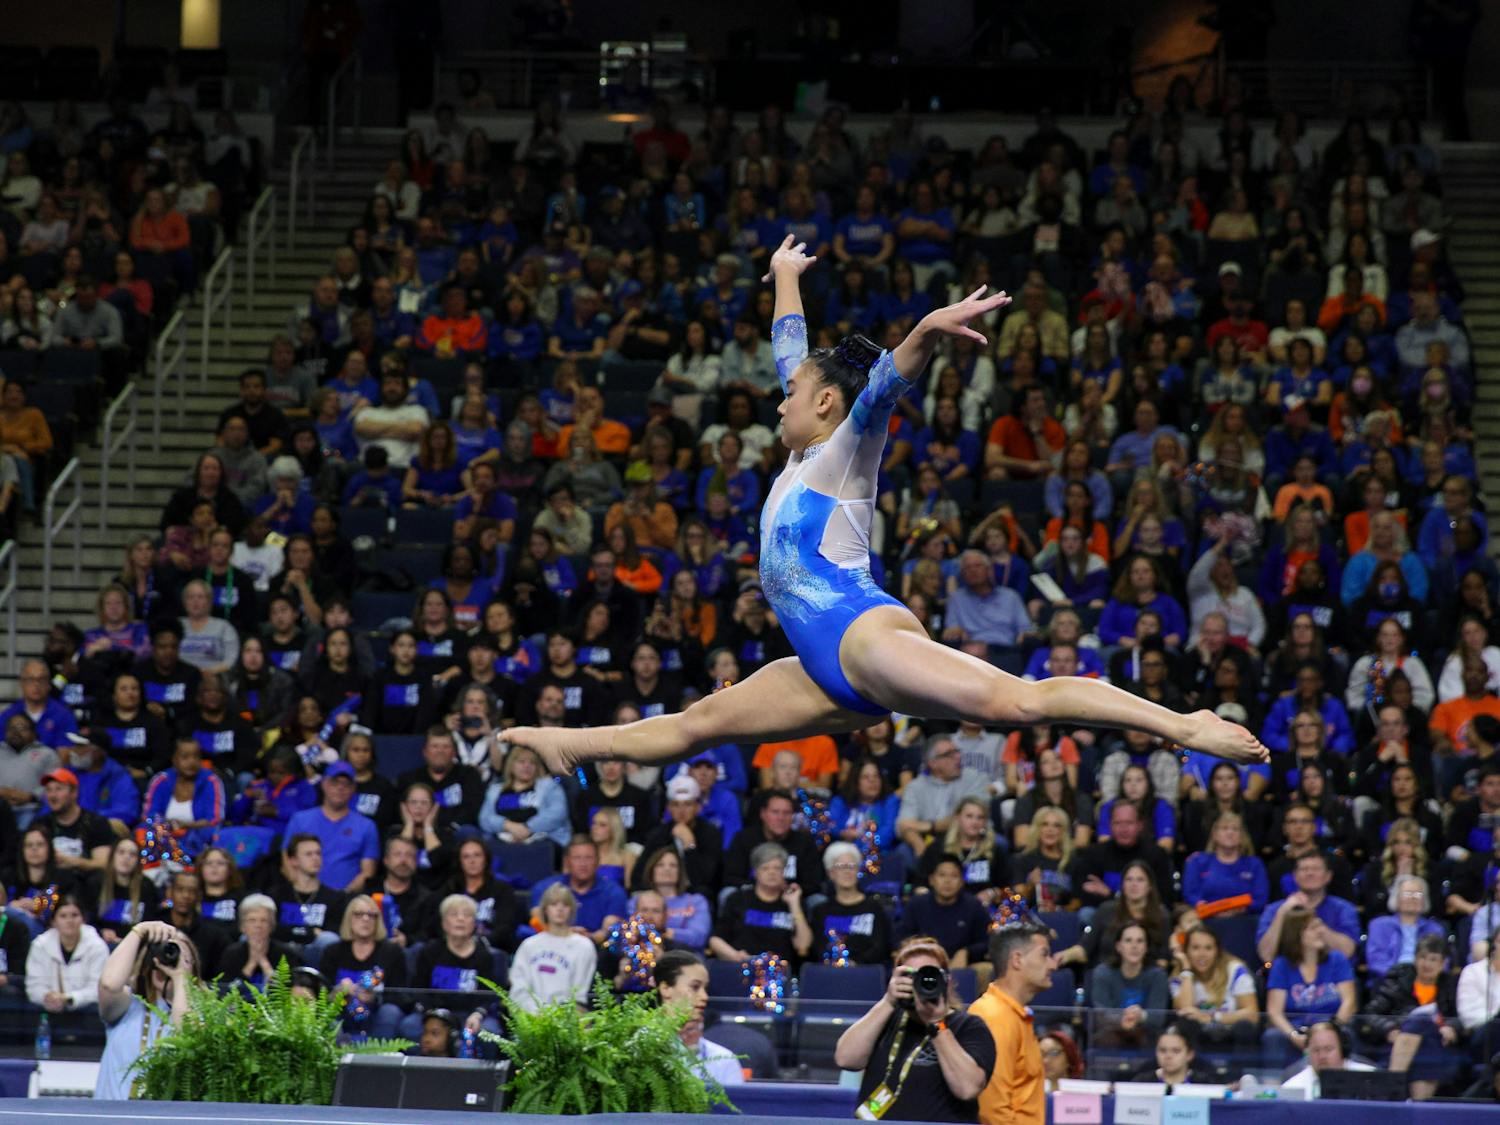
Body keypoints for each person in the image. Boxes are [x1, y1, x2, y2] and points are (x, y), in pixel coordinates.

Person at [506, 237, 1267, 779]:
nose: (779, 402)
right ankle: (571, 743)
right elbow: (792, 348)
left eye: (793, 395)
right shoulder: (805, 451)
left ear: (826, 402)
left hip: (866, 640)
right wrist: (784, 275)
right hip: (824, 667)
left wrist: (926, 334)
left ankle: (1183, 725)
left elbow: (879, 391)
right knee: (697, 724)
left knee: (1019, 702)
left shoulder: (844, 452)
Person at [835, 934, 995, 1123]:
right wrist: (888, 1001)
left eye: (928, 975)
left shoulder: (969, 1026)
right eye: (910, 976)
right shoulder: (885, 1019)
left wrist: (936, 1022)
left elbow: (967, 1088)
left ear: (947, 981)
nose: (919, 983)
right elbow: (845, 1059)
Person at [95, 918, 202, 1099]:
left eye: (177, 955)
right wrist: (138, 932)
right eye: (161, 952)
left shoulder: (201, 1018)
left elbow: (187, 1035)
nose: (166, 963)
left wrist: (180, 978)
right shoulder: (128, 1007)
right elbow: (109, 985)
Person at [969, 921, 1054, 1125]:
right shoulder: (995, 1016)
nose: (1053, 964)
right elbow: (992, 1110)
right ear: (1017, 959)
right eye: (1044, 954)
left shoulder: (1014, 1015)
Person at [1263, 909, 1357, 1060]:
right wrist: (1294, 1036)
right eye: (1313, 928)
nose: (1320, 931)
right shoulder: (1282, 965)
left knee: (1347, 1034)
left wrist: (1330, 1030)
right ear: (1296, 934)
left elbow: (1349, 1002)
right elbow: (1274, 1011)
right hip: (1296, 1029)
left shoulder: (1337, 960)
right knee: (1273, 1037)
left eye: (1320, 926)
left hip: (1332, 1025)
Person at [654, 950, 744, 1088]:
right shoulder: (635, 1052)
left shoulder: (725, 1061)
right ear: (665, 989)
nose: (704, 996)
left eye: (705, 988)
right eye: (695, 987)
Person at [24, 894, 108, 1031]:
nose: (69, 921)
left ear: (83, 919)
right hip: (48, 1014)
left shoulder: (97, 947)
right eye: (63, 916)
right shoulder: (40, 945)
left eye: (74, 915)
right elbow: (33, 986)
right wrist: (46, 996)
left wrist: (68, 998)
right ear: (54, 921)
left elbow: (98, 989)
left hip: (89, 1016)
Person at [509, 883, 596, 1012]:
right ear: (545, 909)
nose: (559, 909)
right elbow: (519, 988)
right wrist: (536, 1014)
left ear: (571, 910)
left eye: (565, 905)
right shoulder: (529, 946)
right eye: (554, 904)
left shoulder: (584, 946)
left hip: (569, 1020)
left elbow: (580, 994)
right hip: (529, 1019)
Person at [218, 893, 299, 987]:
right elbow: (227, 991)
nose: (258, 926)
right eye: (252, 920)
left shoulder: (287, 954)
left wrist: (264, 962)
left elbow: (284, 992)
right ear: (242, 926)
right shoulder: (231, 954)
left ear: (272, 925)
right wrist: (251, 964)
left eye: (264, 920)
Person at [1280, 1020, 1377, 1095]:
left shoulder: (1371, 1079)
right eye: (1316, 1050)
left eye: (1328, 1049)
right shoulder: (1292, 1087)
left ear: (1343, 1050)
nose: (1322, 1056)